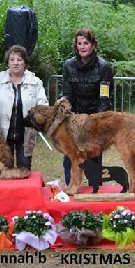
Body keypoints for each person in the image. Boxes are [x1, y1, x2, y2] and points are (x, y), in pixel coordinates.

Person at [58, 28, 114, 186]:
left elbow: (104, 97)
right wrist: (64, 101)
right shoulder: (68, 65)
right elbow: (68, 93)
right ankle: (71, 189)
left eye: (86, 43)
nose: (82, 47)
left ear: (93, 45)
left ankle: (95, 190)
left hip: (95, 118)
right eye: (79, 43)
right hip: (74, 119)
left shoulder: (104, 67)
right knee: (70, 157)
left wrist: (95, 122)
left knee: (94, 157)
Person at [0, 45, 48, 169]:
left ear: (25, 62)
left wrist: (37, 122)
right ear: (7, 63)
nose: (15, 63)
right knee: (4, 170)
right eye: (12, 60)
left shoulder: (36, 82)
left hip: (25, 135)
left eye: (19, 59)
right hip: (2, 135)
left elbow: (43, 106)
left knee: (24, 169)